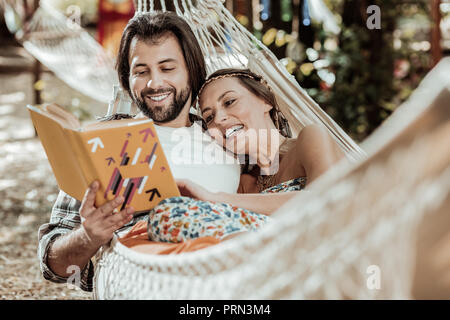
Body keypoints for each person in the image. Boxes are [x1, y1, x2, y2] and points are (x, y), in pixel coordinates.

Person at [37, 12, 243, 292]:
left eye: (167, 68)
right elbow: (54, 266)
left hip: (228, 279)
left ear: (192, 71)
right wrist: (88, 236)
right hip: (142, 283)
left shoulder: (228, 135)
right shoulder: (100, 142)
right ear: (127, 77)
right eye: (141, 71)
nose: (154, 83)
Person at [147, 69, 344, 242]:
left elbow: (329, 203)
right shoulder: (242, 184)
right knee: (169, 212)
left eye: (230, 102)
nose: (219, 119)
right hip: (267, 266)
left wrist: (217, 198)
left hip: (328, 248)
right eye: (209, 117)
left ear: (265, 101)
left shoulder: (310, 139)